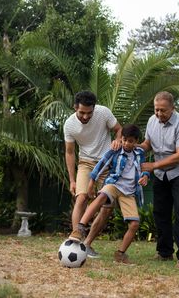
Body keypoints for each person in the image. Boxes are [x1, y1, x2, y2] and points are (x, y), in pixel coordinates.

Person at [69, 124, 150, 264]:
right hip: (114, 184)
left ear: (136, 141)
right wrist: (90, 185)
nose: (126, 143)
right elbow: (99, 166)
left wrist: (145, 176)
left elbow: (144, 168)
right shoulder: (115, 150)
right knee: (102, 196)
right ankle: (80, 228)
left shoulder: (140, 153)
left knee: (135, 224)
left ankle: (120, 254)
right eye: (124, 139)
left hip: (129, 192)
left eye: (130, 141)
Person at [63, 90, 122, 258]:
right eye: (81, 112)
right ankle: (76, 241)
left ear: (94, 109)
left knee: (107, 207)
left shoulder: (103, 113)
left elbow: (118, 129)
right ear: (75, 107)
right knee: (81, 197)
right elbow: (69, 152)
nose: (85, 117)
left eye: (89, 113)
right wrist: (72, 180)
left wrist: (117, 139)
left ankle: (87, 244)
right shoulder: (69, 125)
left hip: (106, 163)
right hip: (85, 163)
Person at [141, 91, 179, 269]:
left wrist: (153, 166)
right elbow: (148, 144)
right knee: (160, 212)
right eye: (156, 110)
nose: (159, 114)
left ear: (173, 108)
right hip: (160, 173)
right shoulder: (151, 121)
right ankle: (164, 252)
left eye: (163, 110)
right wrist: (135, 147)